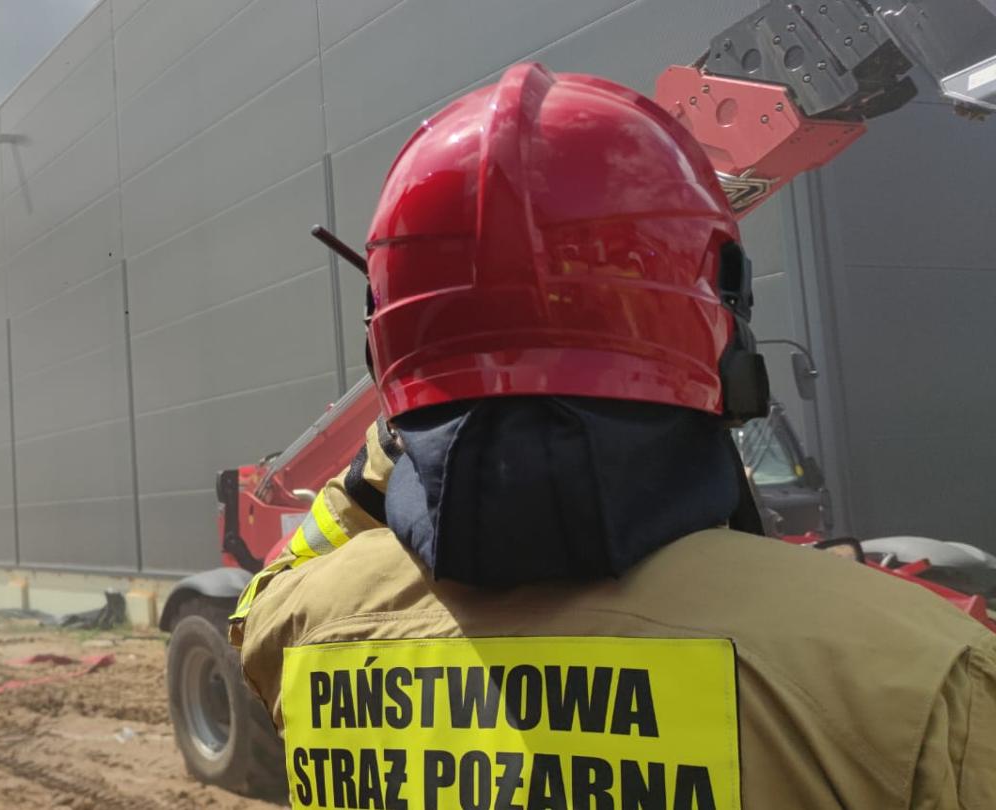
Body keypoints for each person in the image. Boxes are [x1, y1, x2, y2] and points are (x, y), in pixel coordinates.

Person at [236, 63, 995, 808]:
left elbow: (264, 597)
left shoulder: (298, 627)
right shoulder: (926, 677)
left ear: (388, 341)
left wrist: (384, 452)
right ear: (720, 319)